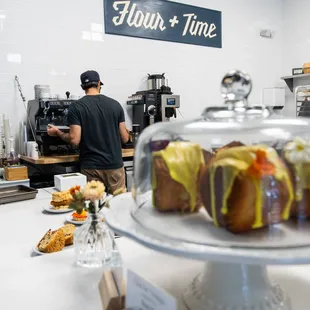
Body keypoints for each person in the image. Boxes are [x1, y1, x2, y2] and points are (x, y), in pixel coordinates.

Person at [47, 70, 129, 194]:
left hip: (91, 168)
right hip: (115, 166)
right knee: (117, 207)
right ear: (99, 84)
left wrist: (57, 132)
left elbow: (74, 140)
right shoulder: (115, 105)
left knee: (94, 208)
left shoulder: (76, 107)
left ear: (82, 87)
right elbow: (125, 138)